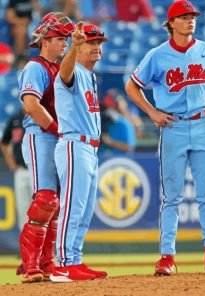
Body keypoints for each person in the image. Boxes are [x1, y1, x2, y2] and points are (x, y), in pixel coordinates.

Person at [125, 0, 205, 275]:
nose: (190, 20)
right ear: (171, 23)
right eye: (184, 16)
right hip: (173, 127)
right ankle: (167, 256)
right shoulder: (158, 54)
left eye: (193, 16)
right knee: (172, 197)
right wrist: (152, 111)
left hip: (203, 126)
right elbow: (132, 86)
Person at [16, 12, 75, 283]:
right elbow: (31, 105)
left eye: (65, 39)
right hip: (40, 134)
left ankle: (46, 262)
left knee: (55, 205)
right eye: (59, 38)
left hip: (55, 135)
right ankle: (30, 265)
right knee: (45, 200)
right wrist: (57, 130)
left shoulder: (58, 67)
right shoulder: (36, 67)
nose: (64, 43)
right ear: (45, 40)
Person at [50, 22, 108, 282]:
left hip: (90, 148)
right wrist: (73, 46)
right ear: (79, 46)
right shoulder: (72, 70)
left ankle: (74, 260)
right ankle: (62, 264)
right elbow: (64, 72)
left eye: (99, 43)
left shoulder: (90, 75)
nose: (96, 47)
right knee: (73, 207)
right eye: (91, 43)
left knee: (84, 210)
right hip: (75, 144)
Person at [0, 110, 32, 232]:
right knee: (22, 207)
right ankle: (26, 246)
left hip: (38, 170)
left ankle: (44, 246)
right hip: (21, 170)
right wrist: (11, 163)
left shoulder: (40, 115)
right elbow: (4, 143)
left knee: (41, 208)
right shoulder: (16, 120)